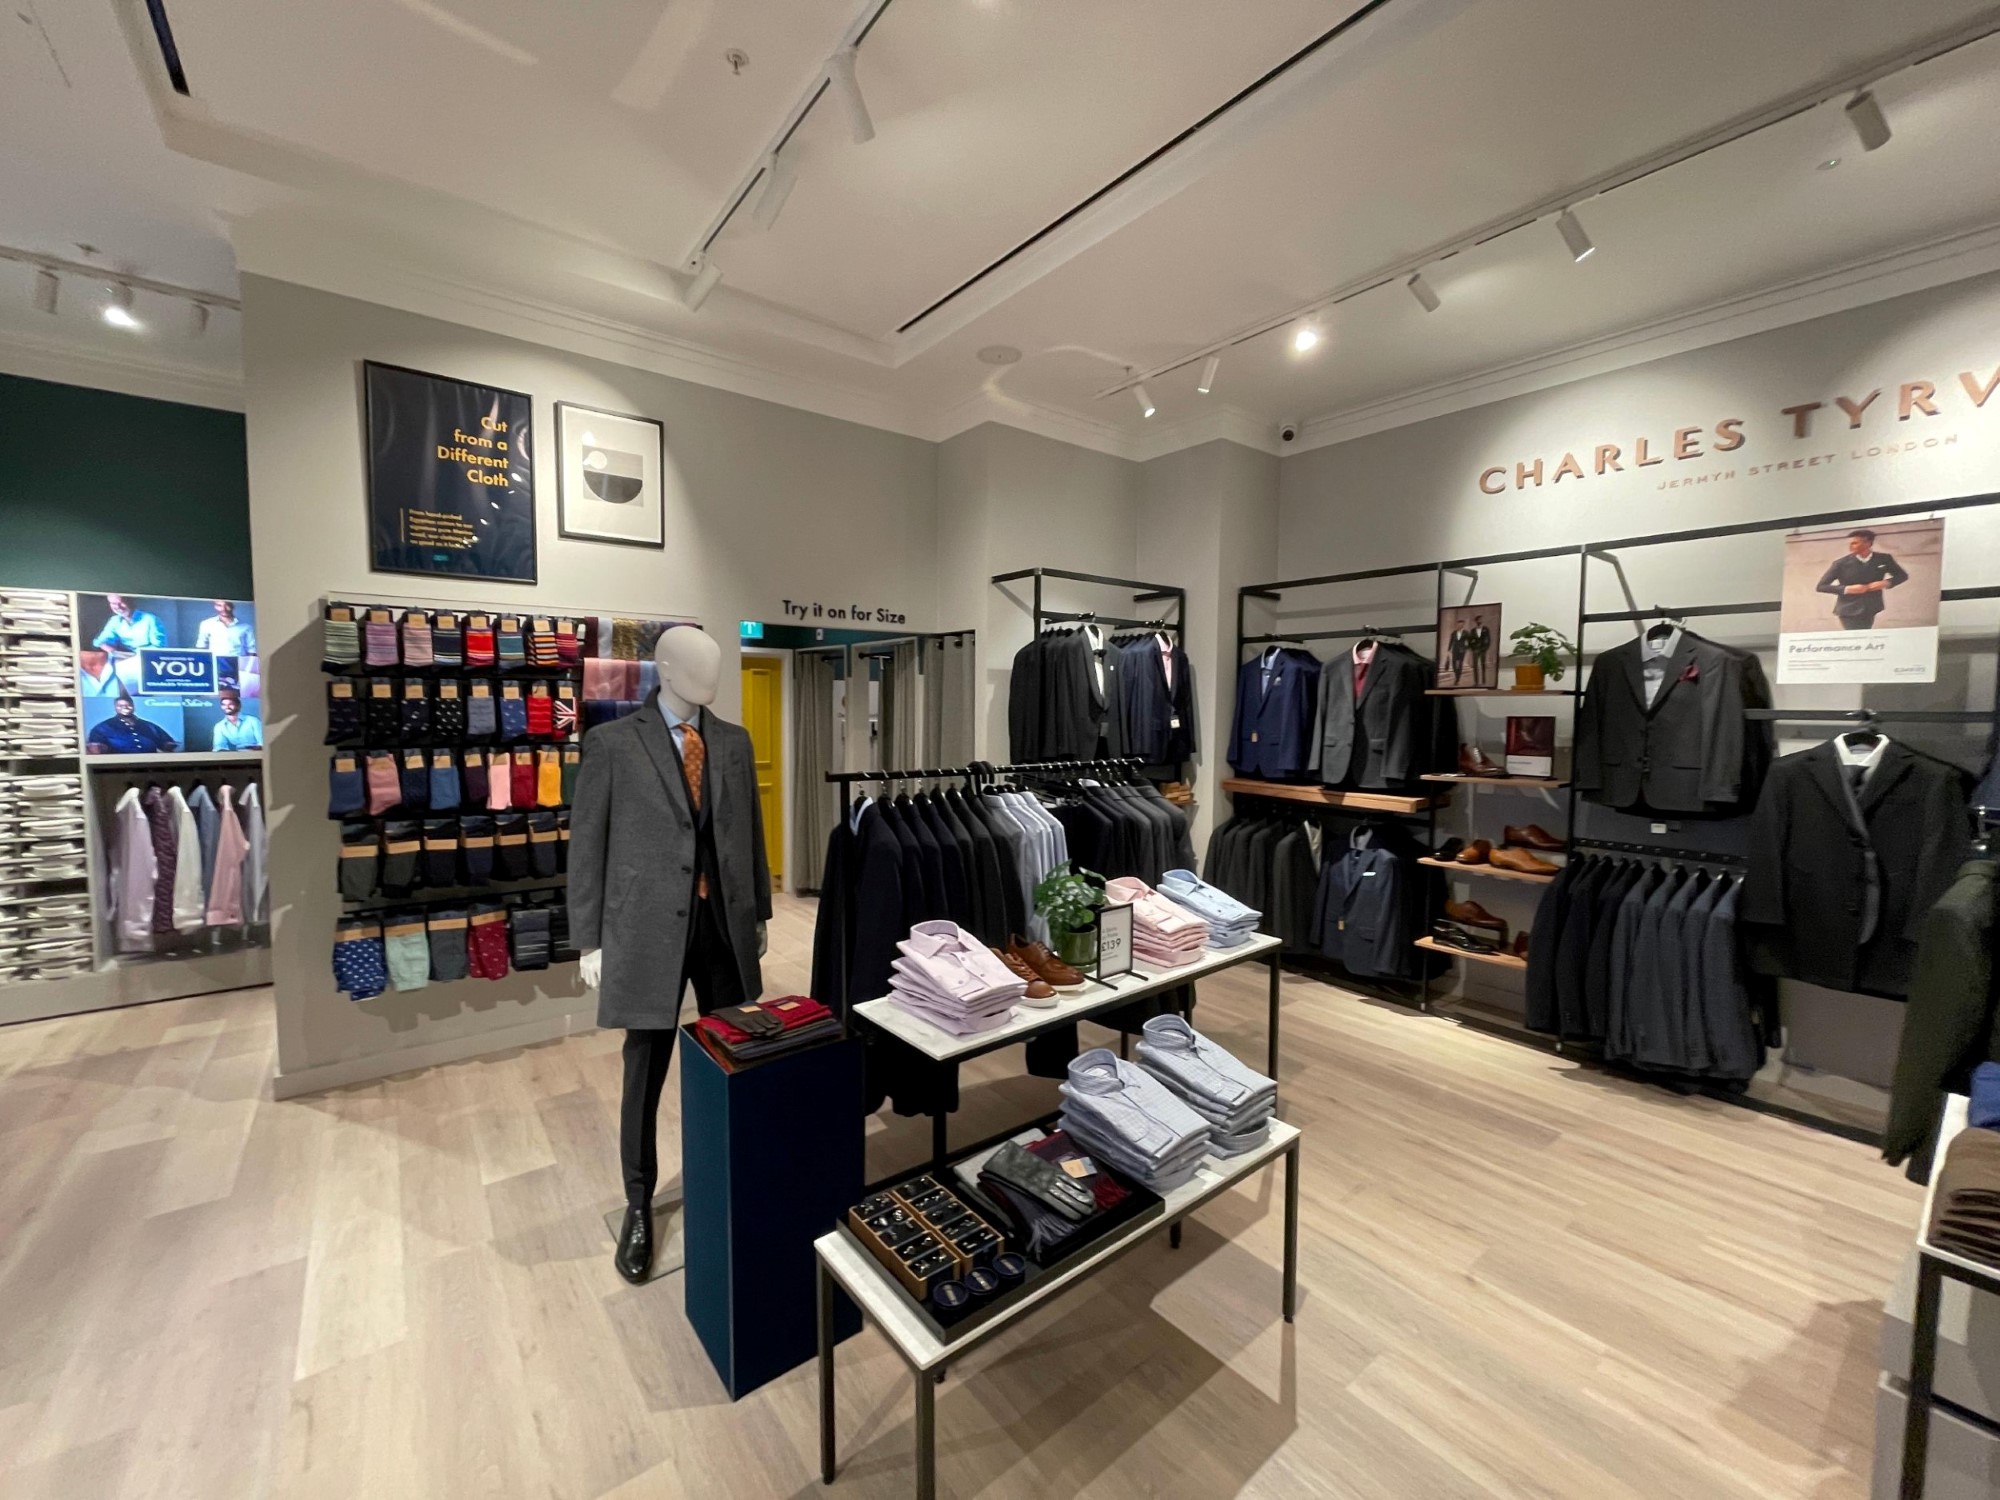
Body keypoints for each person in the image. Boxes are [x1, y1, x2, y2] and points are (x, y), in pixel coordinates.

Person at [1815, 528, 1910, 629]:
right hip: (1848, 609)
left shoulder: (1883, 559)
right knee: (1855, 635)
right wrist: (1847, 589)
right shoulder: (1840, 563)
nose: (1850, 547)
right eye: (1850, 543)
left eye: (1854, 543)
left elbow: (1902, 575)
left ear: (1868, 543)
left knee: (1866, 632)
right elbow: (1821, 586)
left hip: (1872, 607)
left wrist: (1886, 583)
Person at [87, 694, 179, 754]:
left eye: (128, 705)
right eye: (120, 706)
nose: (125, 708)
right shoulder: (102, 728)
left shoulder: (150, 726)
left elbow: (168, 745)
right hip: (118, 768)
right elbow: (95, 750)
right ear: (115, 708)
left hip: (151, 765)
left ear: (133, 707)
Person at [92, 595, 166, 655]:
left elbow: (158, 648)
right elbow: (99, 641)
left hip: (146, 659)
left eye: (121, 602)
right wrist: (114, 651)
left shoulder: (151, 619)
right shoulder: (114, 620)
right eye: (114, 604)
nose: (118, 607)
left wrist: (133, 655)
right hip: (122, 659)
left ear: (131, 602)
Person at [1468, 615, 1492, 686]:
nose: (1481, 621)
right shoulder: (1473, 630)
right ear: (1476, 621)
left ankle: (1483, 681)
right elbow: (1469, 640)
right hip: (1475, 650)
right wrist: (1472, 648)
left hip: (1483, 649)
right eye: (1479, 620)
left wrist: (1486, 648)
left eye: (1481, 619)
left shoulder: (1486, 629)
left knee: (1483, 665)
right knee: (1475, 666)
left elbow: (1488, 639)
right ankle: (1476, 682)